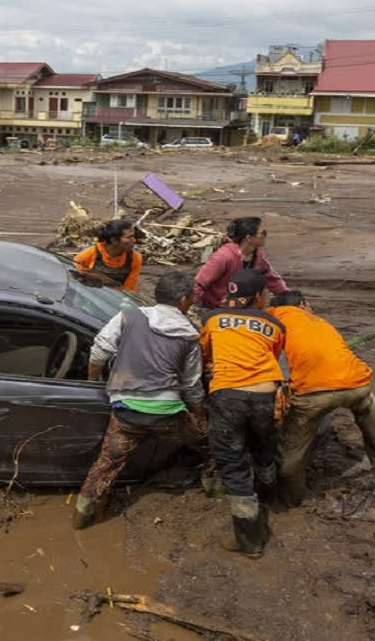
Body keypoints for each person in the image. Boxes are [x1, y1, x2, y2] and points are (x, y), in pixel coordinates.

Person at [72, 272, 222, 530]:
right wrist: (198, 417)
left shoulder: (129, 316)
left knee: (107, 462)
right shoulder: (189, 335)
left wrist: (94, 383)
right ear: (184, 299)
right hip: (168, 414)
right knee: (213, 445)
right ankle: (213, 491)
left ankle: (83, 515)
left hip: (126, 412)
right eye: (191, 300)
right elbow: (191, 386)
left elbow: (99, 352)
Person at [267, 291, 375, 507]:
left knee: (290, 459)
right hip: (357, 385)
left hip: (314, 395)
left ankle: (292, 499)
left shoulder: (274, 321)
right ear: (304, 305)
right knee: (371, 421)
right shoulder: (321, 322)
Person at [200, 269, 287, 559]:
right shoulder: (274, 324)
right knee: (265, 446)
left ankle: (250, 540)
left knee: (233, 462)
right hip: (266, 394)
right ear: (260, 296)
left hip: (228, 395)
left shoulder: (211, 319)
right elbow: (272, 357)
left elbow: (204, 355)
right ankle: (270, 498)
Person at [192, 216, 289, 317]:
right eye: (262, 232)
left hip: (242, 308)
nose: (265, 235)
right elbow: (199, 284)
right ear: (249, 238)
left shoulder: (258, 256)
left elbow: (272, 280)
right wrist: (196, 309)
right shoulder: (223, 257)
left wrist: (290, 298)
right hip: (215, 309)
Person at [72, 219, 142, 291]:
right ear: (114, 240)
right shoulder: (88, 255)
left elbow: (129, 289)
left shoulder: (135, 258)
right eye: (129, 237)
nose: (134, 241)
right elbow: (74, 279)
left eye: (133, 236)